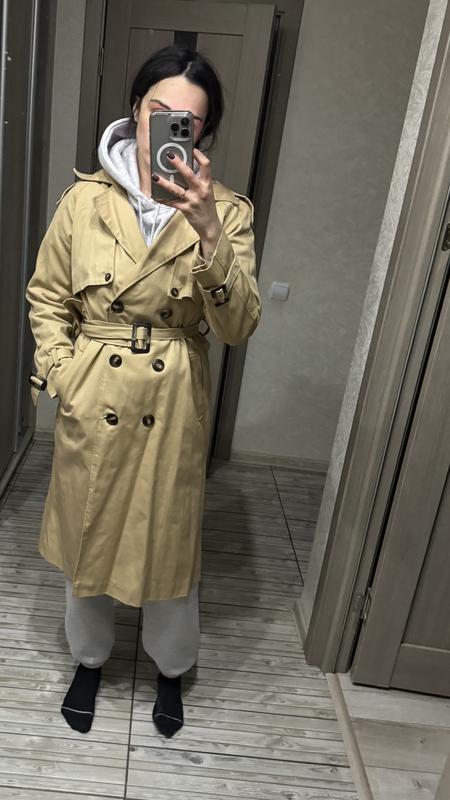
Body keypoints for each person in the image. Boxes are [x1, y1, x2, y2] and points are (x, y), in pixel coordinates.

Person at [25, 44, 261, 738]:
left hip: (172, 394)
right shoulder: (84, 201)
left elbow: (239, 326)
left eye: (189, 120)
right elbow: (46, 298)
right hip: (95, 387)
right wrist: (64, 375)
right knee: (90, 534)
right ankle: (89, 659)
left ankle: (171, 668)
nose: (171, 128)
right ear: (135, 110)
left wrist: (209, 232)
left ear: (205, 132)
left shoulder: (227, 213)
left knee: (168, 543)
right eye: (160, 111)